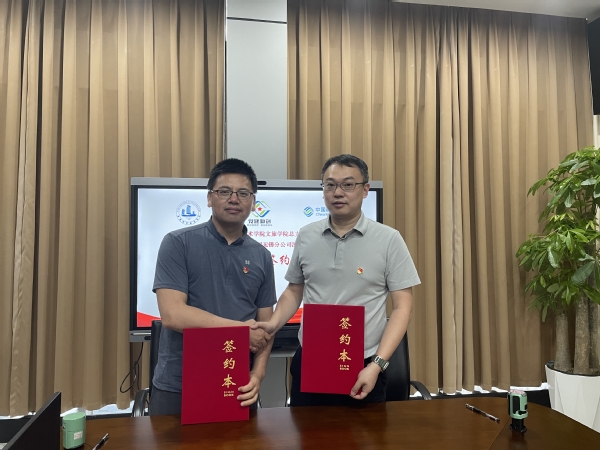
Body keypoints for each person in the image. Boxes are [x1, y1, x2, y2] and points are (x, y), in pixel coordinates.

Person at [254, 154, 420, 406]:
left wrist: (377, 365)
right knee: (306, 429)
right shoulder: (307, 235)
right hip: (311, 359)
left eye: (348, 184)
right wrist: (273, 324)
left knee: (364, 431)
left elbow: (402, 308)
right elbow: (294, 290)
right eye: (330, 185)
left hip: (364, 365)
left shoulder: (389, 239)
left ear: (365, 189)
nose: (338, 192)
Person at [149, 158, 276, 415]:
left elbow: (265, 327)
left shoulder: (262, 255)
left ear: (253, 202)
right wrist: (241, 331)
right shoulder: (178, 243)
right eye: (224, 191)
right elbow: (173, 315)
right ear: (209, 198)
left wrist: (258, 372)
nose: (234, 199)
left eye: (243, 193)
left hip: (237, 382)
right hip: (179, 383)